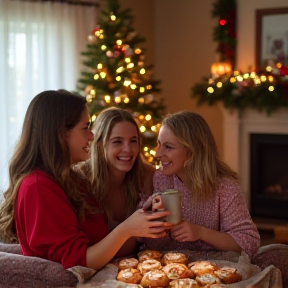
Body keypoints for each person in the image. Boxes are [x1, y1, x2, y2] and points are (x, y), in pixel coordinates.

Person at [0, 90, 170, 271]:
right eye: (85, 127)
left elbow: (104, 245)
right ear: (61, 133)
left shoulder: (72, 180)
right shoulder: (38, 187)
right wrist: (127, 228)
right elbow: (79, 261)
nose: (91, 135)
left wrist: (142, 223)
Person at [140, 110, 261, 258]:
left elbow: (249, 243)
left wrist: (201, 233)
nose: (157, 154)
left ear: (193, 150)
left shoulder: (225, 188)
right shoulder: (159, 179)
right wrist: (155, 220)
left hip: (215, 269)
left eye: (168, 147)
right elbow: (148, 244)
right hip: (168, 268)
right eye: (159, 144)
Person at [74, 106, 163, 258]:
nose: (128, 150)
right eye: (117, 142)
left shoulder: (148, 176)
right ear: (100, 145)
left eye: (133, 141)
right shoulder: (80, 179)